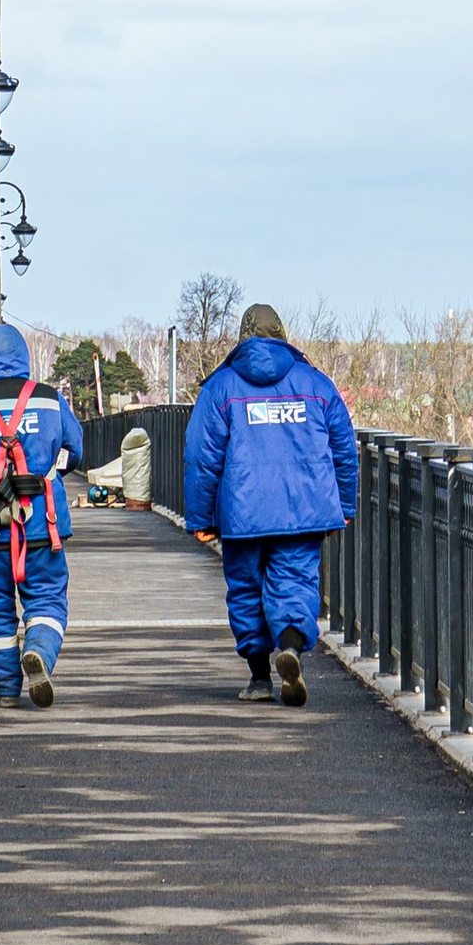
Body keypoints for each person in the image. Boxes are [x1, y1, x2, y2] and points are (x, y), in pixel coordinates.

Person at [183, 303, 357, 707]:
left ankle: (260, 678)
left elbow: (201, 457)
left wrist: (201, 517)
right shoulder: (316, 383)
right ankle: (292, 648)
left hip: (242, 512)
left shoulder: (221, 388)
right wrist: (342, 506)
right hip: (304, 509)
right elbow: (345, 451)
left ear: (243, 337)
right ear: (282, 333)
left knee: (245, 588)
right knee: (295, 581)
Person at [0, 322, 86, 708]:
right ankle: (40, 654)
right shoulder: (48, 399)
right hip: (43, 522)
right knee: (46, 598)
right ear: (24, 358)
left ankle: (6, 690)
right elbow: (75, 449)